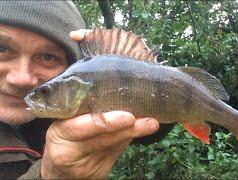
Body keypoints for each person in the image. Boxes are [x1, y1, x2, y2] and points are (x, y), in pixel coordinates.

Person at [0, 1, 173, 179]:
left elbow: (145, 129)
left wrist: (149, 72)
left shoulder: (63, 110)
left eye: (47, 57)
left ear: (70, 66)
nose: (21, 79)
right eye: (2, 48)